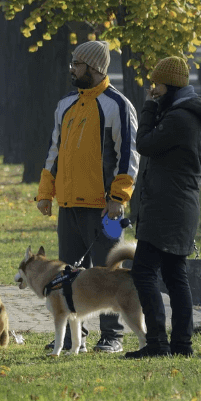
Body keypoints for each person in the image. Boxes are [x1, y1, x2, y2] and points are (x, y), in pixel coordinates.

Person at [35, 40, 140, 353]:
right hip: (68, 206)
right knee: (67, 275)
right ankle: (68, 339)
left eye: (77, 64)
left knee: (110, 276)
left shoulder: (118, 105)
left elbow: (129, 155)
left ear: (95, 68)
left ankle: (112, 337)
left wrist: (118, 198)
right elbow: (55, 151)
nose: (72, 69)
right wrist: (45, 192)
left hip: (104, 209)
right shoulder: (65, 104)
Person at [125, 57, 201, 359]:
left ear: (170, 85)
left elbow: (145, 143)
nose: (154, 89)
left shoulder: (180, 119)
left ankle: (157, 343)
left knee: (143, 271)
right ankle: (181, 345)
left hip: (167, 207)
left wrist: (149, 108)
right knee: (175, 274)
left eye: (158, 84)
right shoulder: (190, 114)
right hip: (179, 206)